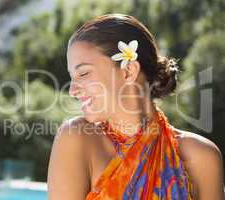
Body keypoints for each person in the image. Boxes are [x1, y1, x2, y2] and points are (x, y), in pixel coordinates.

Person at [47, 14, 224, 199]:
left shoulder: (203, 158)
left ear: (128, 71)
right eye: (72, 77)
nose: (73, 90)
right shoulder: (77, 139)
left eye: (83, 74)